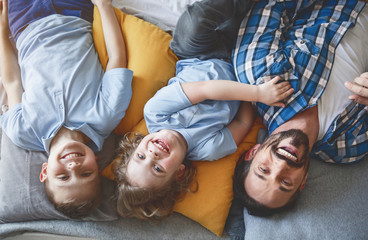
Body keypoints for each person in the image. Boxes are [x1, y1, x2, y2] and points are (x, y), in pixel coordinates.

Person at [112, 0, 293, 221]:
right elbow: (243, 123)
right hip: (237, 67)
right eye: (158, 169)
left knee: (193, 24)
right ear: (179, 172)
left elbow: (206, 89)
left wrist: (256, 93)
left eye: (140, 156)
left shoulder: (156, 113)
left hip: (198, 54)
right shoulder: (208, 150)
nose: (153, 155)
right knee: (271, 65)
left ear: (136, 145)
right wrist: (255, 87)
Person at [232, 0, 368, 217]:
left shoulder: (259, 75)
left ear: (253, 152)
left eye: (264, 170)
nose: (281, 166)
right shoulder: (350, 147)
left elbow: (274, 4)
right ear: (303, 182)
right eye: (285, 182)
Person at [0, 0, 133, 218]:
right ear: (97, 166)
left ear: (44, 172)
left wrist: (3, 31)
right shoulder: (106, 116)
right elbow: (117, 58)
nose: (73, 166)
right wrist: (104, 6)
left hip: (23, 22)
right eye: (85, 173)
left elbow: (12, 81)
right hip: (74, 12)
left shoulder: (23, 132)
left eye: (63, 177)